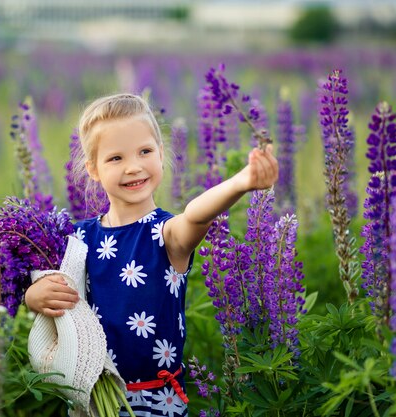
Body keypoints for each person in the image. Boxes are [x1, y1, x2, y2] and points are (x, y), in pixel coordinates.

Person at [25, 93, 278, 416]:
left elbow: (195, 216)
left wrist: (240, 183)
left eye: (145, 151)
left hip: (158, 401)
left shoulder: (167, 234)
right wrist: (34, 297)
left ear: (161, 155)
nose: (133, 167)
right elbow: (50, 286)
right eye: (115, 158)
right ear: (93, 169)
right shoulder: (79, 237)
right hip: (94, 398)